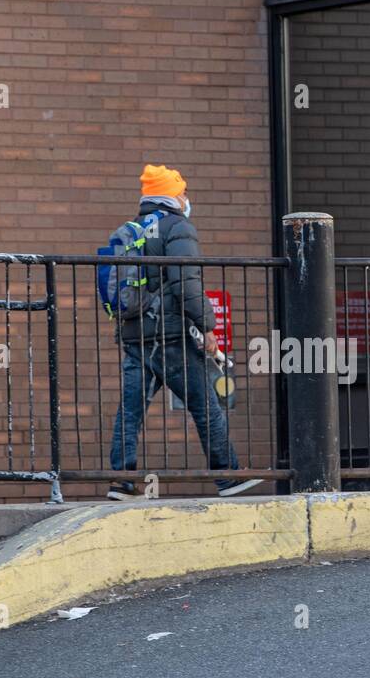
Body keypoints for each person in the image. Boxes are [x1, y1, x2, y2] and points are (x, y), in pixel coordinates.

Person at [107, 164, 263, 500]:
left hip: (135, 336)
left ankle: (121, 482)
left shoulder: (130, 229)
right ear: (172, 195)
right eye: (183, 192)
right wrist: (206, 325)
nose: (186, 198)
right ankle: (228, 477)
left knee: (130, 412)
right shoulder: (177, 227)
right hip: (171, 337)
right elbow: (186, 282)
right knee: (207, 407)